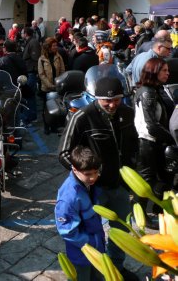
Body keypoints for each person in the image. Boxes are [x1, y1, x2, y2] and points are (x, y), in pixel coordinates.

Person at [58, 77, 139, 280]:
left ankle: (116, 267)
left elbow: (134, 144)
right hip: (95, 189)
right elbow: (64, 153)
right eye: (106, 101)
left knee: (121, 229)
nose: (112, 105)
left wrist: (132, 170)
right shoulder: (83, 117)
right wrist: (86, 178)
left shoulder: (128, 113)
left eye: (117, 100)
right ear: (97, 98)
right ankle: (90, 271)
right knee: (88, 233)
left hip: (120, 185)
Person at [134, 58, 175, 223]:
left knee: (162, 177)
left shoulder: (154, 89)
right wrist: (172, 138)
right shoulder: (147, 92)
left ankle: (160, 210)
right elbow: (151, 125)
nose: (168, 73)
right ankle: (140, 215)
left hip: (155, 141)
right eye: (164, 70)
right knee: (146, 180)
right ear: (154, 71)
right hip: (148, 143)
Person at [55, 146, 104, 281]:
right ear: (74, 170)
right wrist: (91, 243)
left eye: (96, 172)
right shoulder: (69, 197)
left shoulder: (87, 183)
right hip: (82, 252)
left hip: (96, 245)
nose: (93, 177)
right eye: (88, 174)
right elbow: (66, 230)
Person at [38, 37, 66, 134]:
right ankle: (46, 126)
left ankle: (54, 126)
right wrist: (49, 85)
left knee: (56, 107)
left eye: (56, 45)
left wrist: (60, 82)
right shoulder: (42, 59)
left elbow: (62, 70)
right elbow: (41, 74)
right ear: (48, 47)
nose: (56, 47)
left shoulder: (58, 57)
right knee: (46, 108)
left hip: (57, 87)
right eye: (53, 46)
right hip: (46, 88)